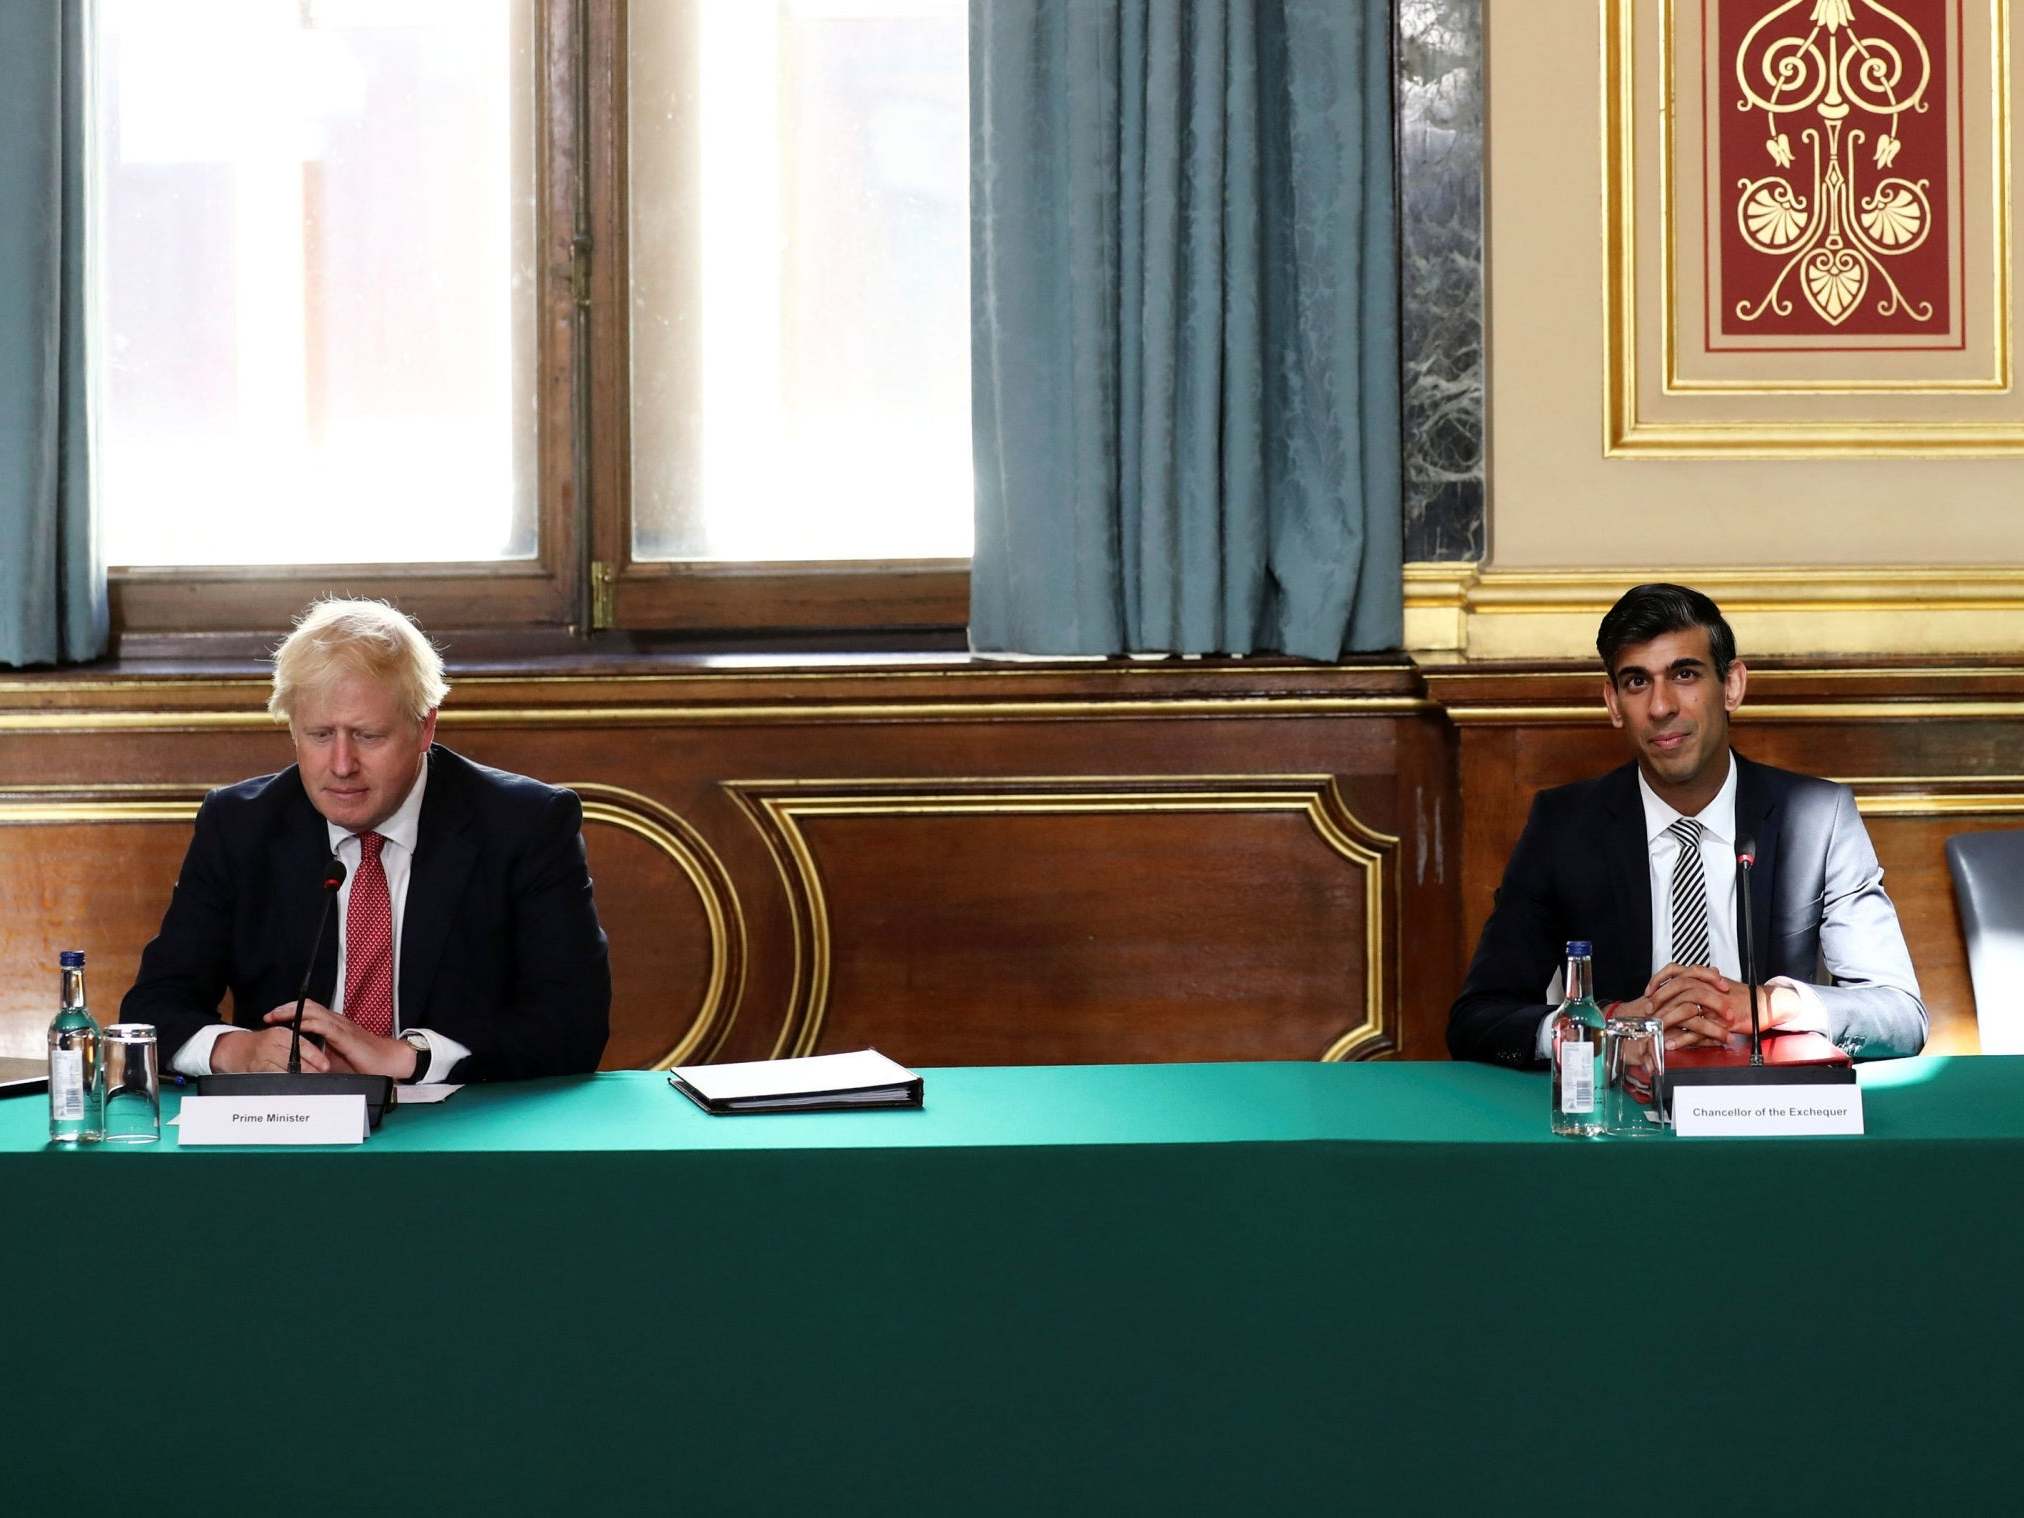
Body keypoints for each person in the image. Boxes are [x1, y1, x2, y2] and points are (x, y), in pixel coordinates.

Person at [124, 599, 611, 1084]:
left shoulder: (525, 824)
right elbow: (153, 1007)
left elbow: (573, 1024)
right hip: (290, 1131)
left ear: (425, 728)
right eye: (319, 735)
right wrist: (235, 1050)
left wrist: (408, 1057)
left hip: (460, 1130)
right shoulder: (240, 825)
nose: (341, 765)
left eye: (368, 736)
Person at [1448, 582, 1926, 1068]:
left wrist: (1770, 1005)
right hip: (1624, 1117)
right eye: (1637, 682)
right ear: (1614, 703)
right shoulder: (1563, 827)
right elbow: (1477, 1018)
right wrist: (1598, 1028)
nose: (1661, 707)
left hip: (1774, 1114)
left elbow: (1901, 1014)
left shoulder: (1818, 818)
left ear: (1732, 685)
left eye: (1685, 674)